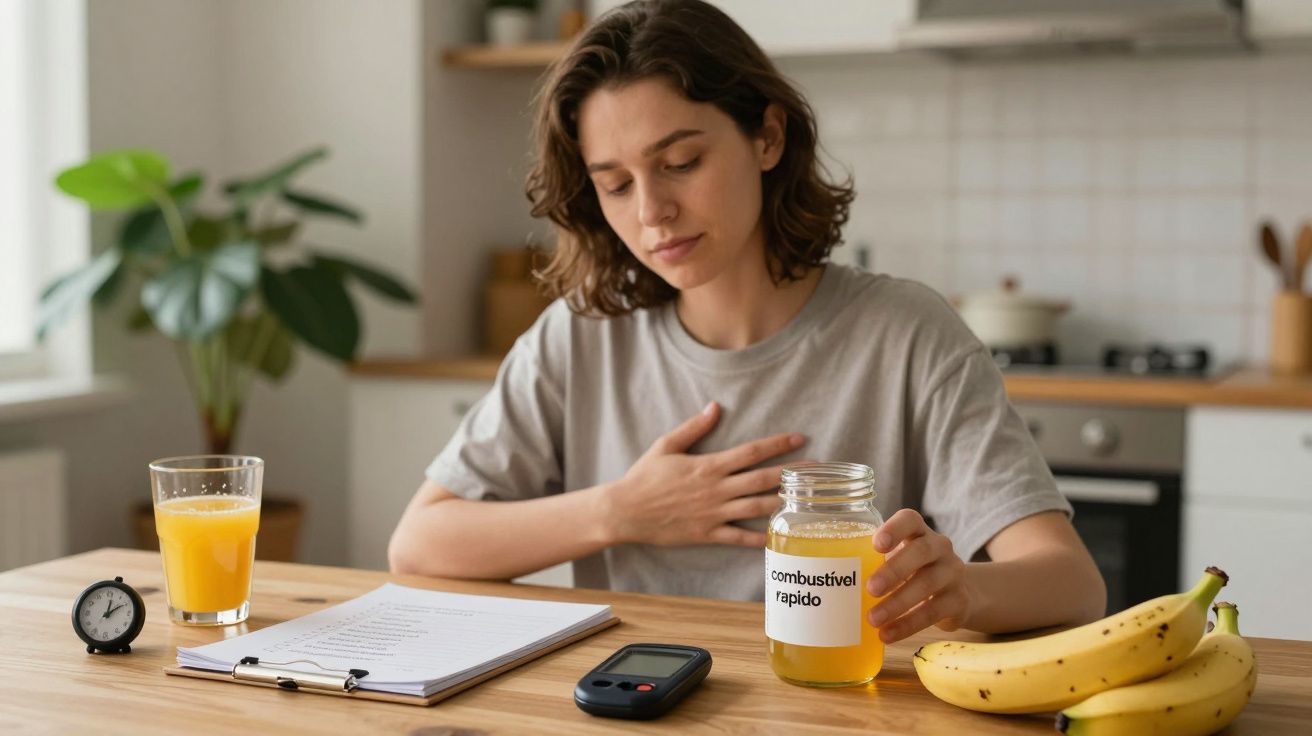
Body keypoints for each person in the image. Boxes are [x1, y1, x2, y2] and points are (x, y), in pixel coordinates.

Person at [390, 0, 1106, 644]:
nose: (650, 212)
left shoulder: (906, 332)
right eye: (615, 184)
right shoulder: (579, 337)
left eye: (680, 161)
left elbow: (1072, 585)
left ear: (767, 137)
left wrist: (962, 588)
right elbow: (419, 543)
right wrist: (622, 511)